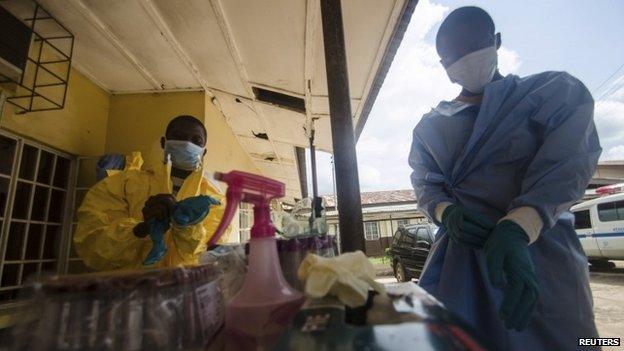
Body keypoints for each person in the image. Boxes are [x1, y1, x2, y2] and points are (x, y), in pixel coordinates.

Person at [408, 7, 601, 350]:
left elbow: (568, 164)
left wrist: (520, 225)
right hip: (460, 265)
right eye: (455, 55)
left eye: (475, 46)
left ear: (496, 42)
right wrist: (445, 212)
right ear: (444, 67)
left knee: (570, 340)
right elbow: (426, 185)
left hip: (543, 251)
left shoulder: (554, 93)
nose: (466, 58)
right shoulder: (430, 127)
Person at [75, 115, 226, 270]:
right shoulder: (122, 184)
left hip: (184, 289)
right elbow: (91, 247)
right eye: (179, 137)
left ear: (204, 151)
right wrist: (140, 229)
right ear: (164, 142)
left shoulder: (213, 200)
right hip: (130, 289)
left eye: (196, 141)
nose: (187, 144)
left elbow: (213, 258)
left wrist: (189, 227)